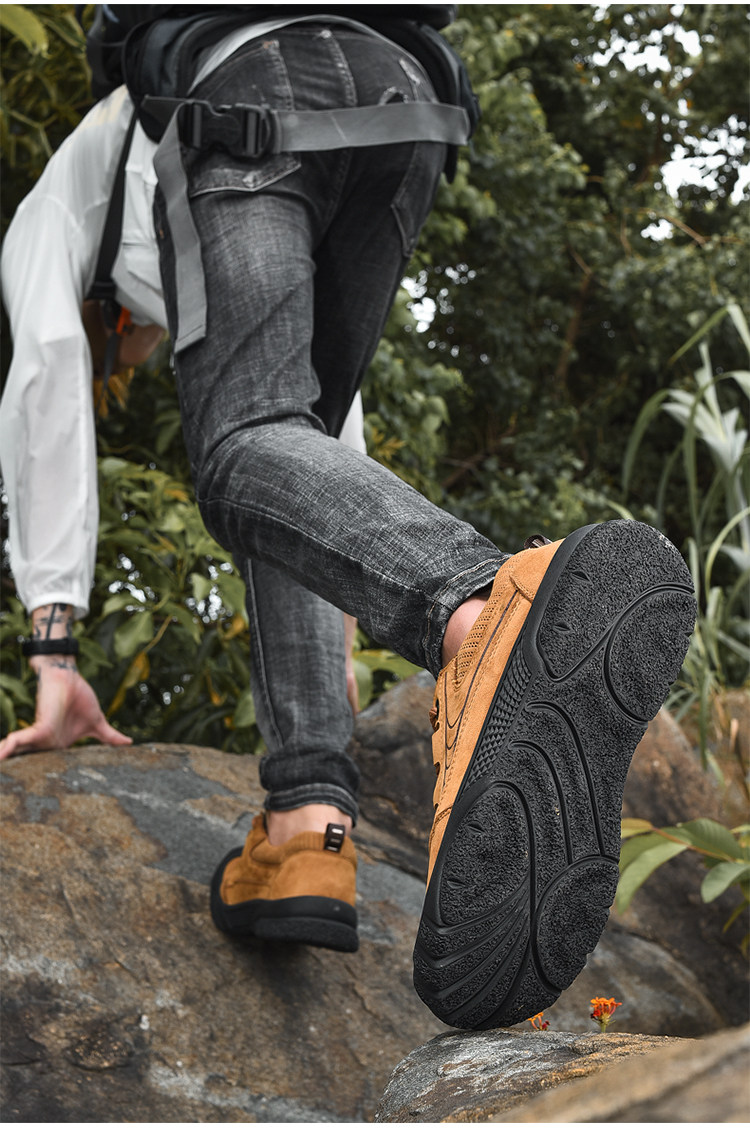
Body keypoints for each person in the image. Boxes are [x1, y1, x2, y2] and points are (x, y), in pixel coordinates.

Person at [0, 7, 696, 1030]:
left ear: (116, 323)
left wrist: (53, 649)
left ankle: (485, 614)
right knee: (279, 445)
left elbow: (45, 390)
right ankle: (309, 823)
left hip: (248, 97)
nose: (132, 364)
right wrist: (351, 595)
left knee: (237, 451)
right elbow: (320, 452)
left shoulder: (73, 186)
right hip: (402, 104)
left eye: (126, 353)